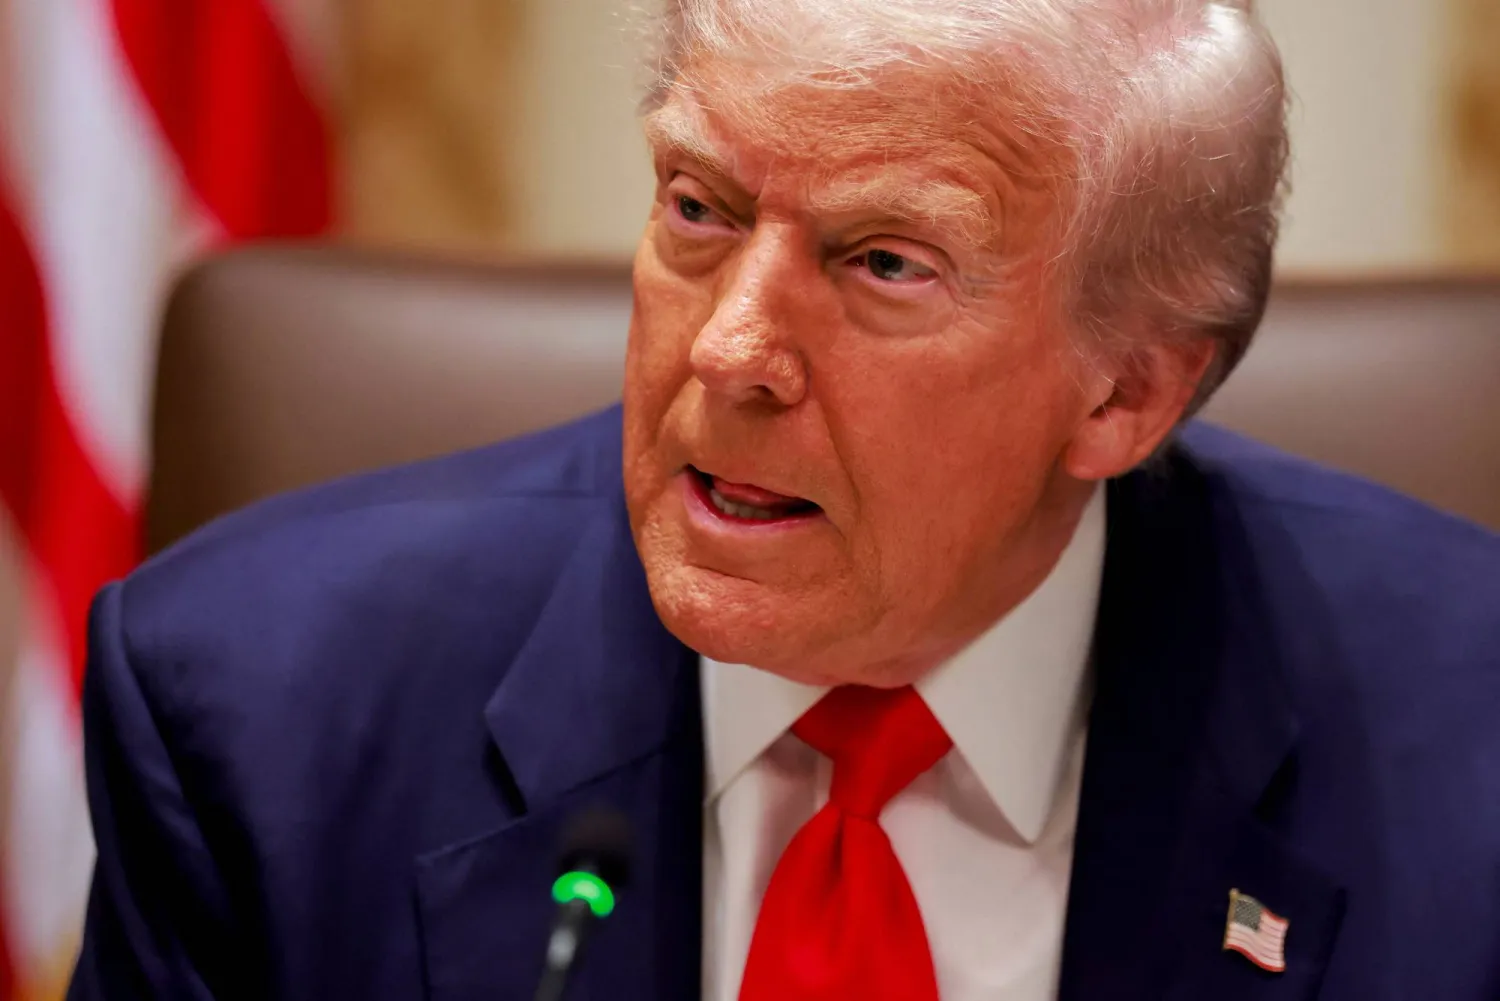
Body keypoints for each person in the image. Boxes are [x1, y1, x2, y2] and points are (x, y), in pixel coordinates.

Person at [68, 1, 1500, 999]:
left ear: (1125, 394)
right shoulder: (255, 712)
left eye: (885, 262)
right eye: (698, 207)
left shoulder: (1467, 755)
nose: (729, 349)